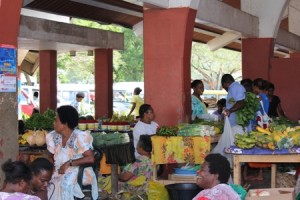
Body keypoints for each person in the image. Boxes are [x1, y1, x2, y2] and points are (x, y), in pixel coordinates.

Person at [46, 105, 98, 200]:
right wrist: (52, 166)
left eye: (56, 120)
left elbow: (90, 158)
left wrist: (69, 163)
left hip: (79, 171)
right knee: (48, 182)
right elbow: (50, 156)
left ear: (65, 123)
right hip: (59, 170)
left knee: (62, 183)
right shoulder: (53, 136)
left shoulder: (79, 136)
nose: (54, 123)